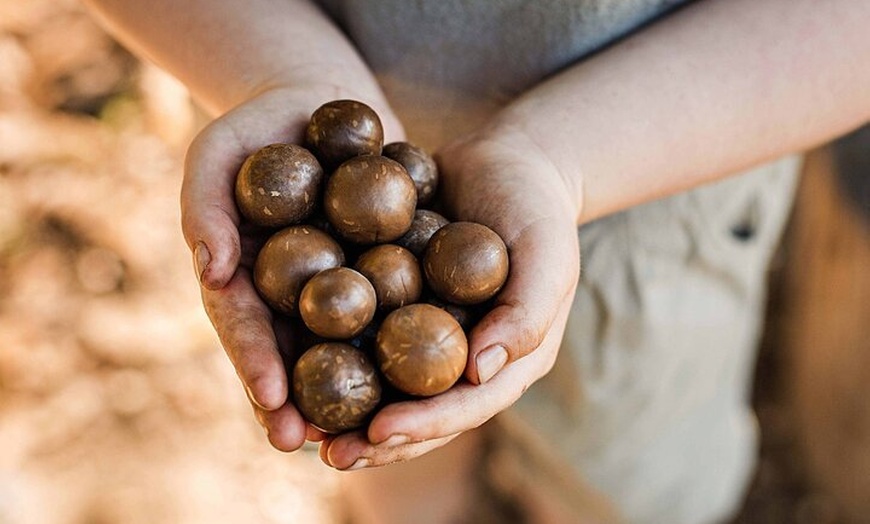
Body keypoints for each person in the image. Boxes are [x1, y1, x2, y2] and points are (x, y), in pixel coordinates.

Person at [82, 0, 870, 522]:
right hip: (273, 87)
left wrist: (564, 158)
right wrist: (274, 71)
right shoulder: (324, 224)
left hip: (655, 188)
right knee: (393, 457)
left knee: (627, 471)